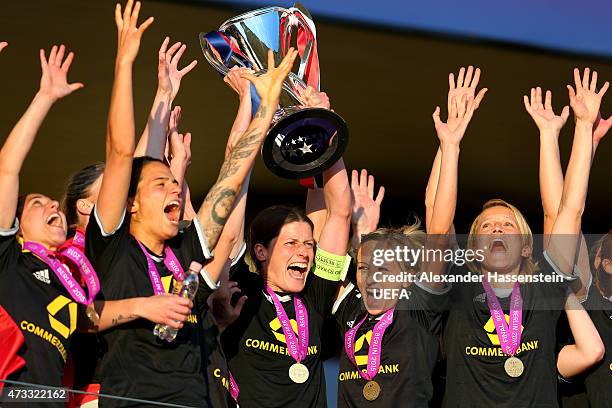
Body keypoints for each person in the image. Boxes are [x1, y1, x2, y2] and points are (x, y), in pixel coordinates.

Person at [84, 1, 298, 406]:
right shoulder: (113, 248)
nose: (173, 190)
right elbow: (118, 151)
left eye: (173, 182)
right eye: (160, 184)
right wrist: (125, 61)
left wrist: (265, 106)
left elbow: (230, 180)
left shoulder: (184, 251)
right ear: (130, 204)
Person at [424, 65, 607, 407]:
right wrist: (450, 146)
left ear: (526, 247)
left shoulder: (545, 287)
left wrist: (582, 129)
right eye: (486, 227)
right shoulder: (459, 286)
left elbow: (568, 211)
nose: (496, 228)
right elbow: (438, 222)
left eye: (507, 225)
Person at [220, 96, 352, 406]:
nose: (304, 252)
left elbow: (340, 211)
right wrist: (253, 108)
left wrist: (325, 124)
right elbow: (232, 187)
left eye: (308, 244)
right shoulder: (242, 288)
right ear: (261, 252)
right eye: (291, 243)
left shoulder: (315, 295)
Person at [0, 42, 86, 405]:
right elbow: (7, 166)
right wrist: (45, 97)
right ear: (16, 227)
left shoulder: (77, 276)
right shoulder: (9, 261)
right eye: (37, 203)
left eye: (53, 202)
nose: (54, 203)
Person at [331, 169, 446, 407]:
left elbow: (439, 230)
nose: (372, 278)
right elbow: (327, 262)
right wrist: (361, 232)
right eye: (364, 268)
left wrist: (449, 147)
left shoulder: (417, 308)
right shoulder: (353, 306)